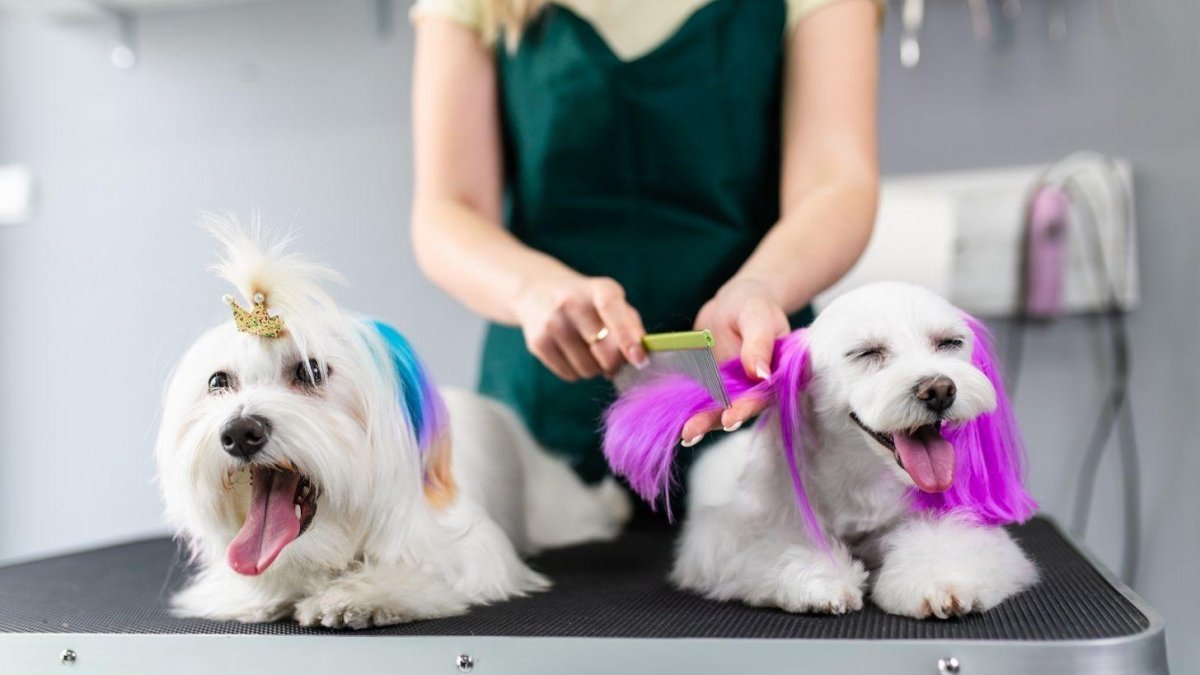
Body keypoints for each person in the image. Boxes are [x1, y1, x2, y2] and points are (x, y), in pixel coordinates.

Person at [410, 0, 881, 485]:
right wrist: (531, 291)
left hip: (745, 399)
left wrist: (760, 288)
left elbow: (836, 183)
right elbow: (447, 211)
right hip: (547, 430)